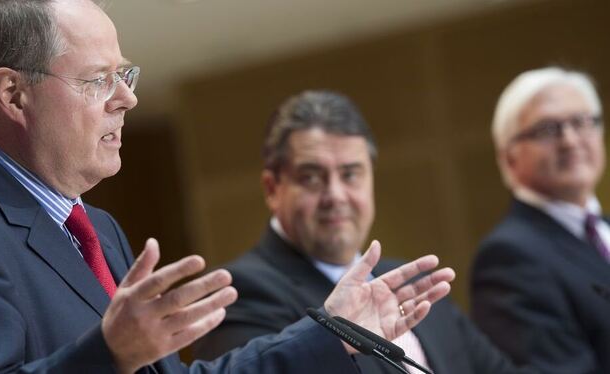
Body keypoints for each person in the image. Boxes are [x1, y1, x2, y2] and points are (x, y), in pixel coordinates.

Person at [0, 1, 455, 373]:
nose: (126, 99)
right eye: (98, 80)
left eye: (125, 75)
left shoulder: (97, 228)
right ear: (13, 94)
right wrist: (109, 353)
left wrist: (334, 330)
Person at [193, 90, 532, 374]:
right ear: (272, 189)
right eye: (311, 177)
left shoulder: (411, 284)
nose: (335, 196)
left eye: (350, 174)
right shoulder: (239, 292)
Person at [471, 67, 610, 373]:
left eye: (582, 122)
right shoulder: (508, 257)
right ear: (509, 157)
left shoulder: (603, 230)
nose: (571, 140)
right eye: (548, 129)